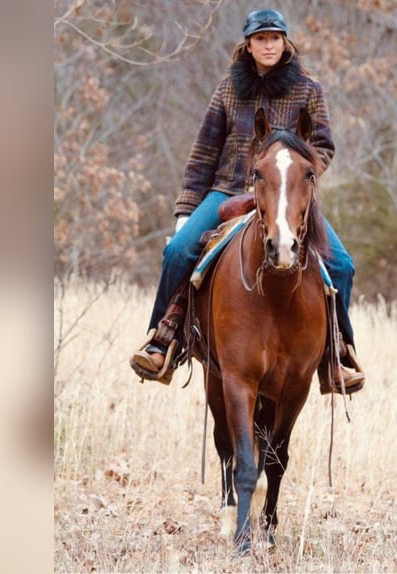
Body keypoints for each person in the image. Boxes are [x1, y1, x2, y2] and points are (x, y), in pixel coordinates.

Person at [130, 8, 365, 394]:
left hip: (288, 193)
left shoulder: (309, 89)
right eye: (260, 38)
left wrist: (293, 175)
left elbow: (323, 146)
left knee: (341, 265)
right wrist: (187, 209)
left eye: (274, 38)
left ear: (285, 42)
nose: (268, 45)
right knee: (177, 251)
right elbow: (204, 150)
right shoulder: (227, 89)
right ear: (248, 45)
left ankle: (337, 356)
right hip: (227, 188)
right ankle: (163, 340)